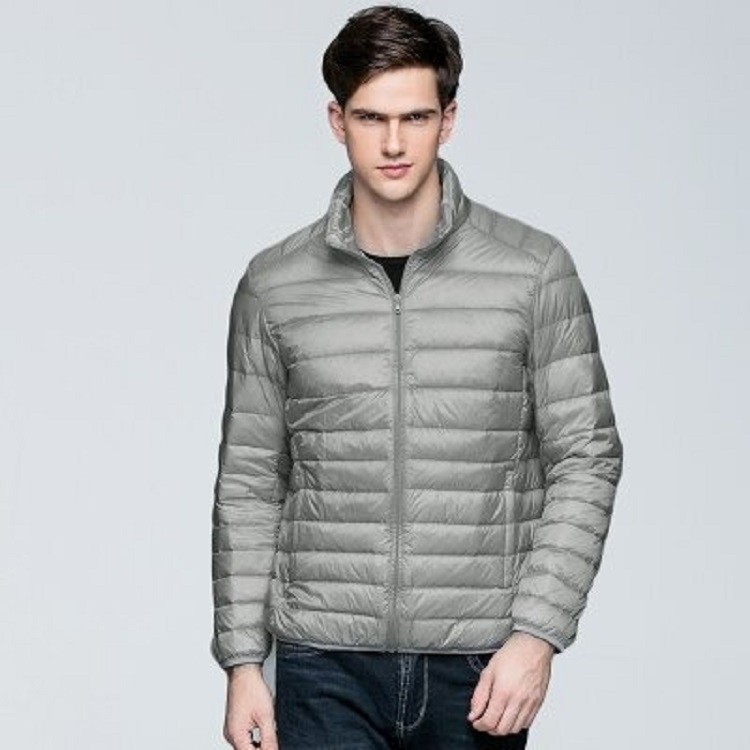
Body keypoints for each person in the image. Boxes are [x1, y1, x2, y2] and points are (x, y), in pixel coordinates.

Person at [210, 5, 624, 749]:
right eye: (371, 118)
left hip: (478, 661)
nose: (394, 143)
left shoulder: (533, 271)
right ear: (336, 120)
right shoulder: (275, 286)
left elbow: (587, 458)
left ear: (449, 119)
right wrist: (243, 662)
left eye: (416, 117)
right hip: (321, 660)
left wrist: (537, 634)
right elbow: (248, 479)